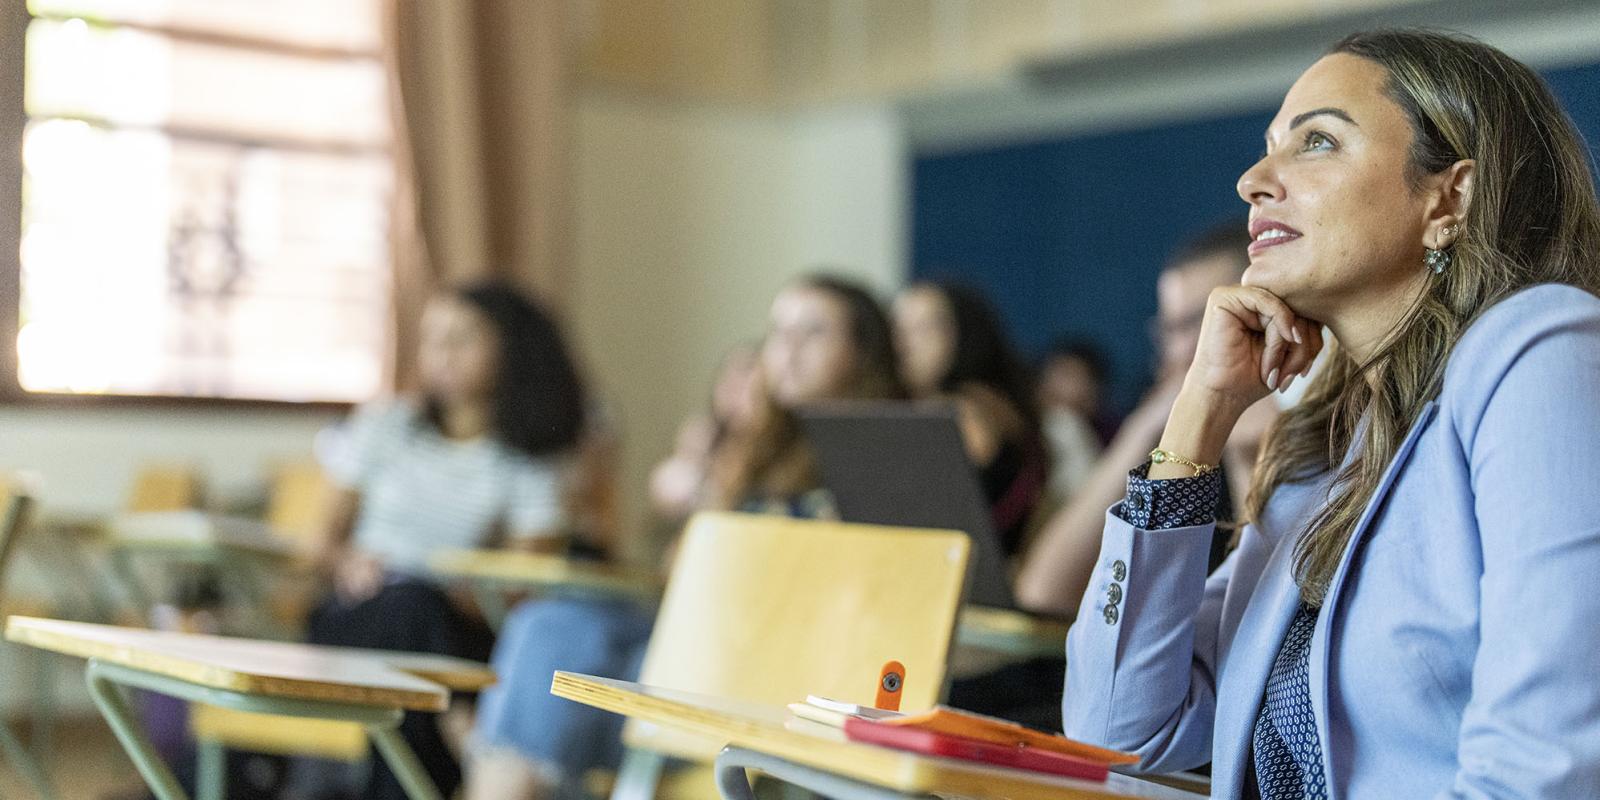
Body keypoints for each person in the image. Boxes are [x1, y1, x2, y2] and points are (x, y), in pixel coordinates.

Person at [1063, 29, 1600, 799]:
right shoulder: (1322, 451)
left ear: (1449, 196)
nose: (1253, 180)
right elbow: (1117, 734)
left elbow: (1545, 772)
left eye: (1316, 142)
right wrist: (1200, 415)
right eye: (1267, 147)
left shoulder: (1540, 345)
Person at [464, 274, 905, 800]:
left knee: (561, 668)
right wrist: (712, 477)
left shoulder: (889, 459)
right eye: (777, 332)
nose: (786, 351)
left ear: (863, 352)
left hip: (784, 675)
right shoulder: (756, 452)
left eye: (813, 333)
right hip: (703, 644)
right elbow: (680, 572)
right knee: (550, 625)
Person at [304, 281, 587, 800]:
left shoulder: (528, 458)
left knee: (419, 611)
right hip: (359, 615)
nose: (442, 356)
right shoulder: (387, 424)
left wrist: (447, 591)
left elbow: (522, 586)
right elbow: (319, 544)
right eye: (433, 339)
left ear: (511, 350)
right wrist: (347, 563)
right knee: (408, 611)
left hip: (458, 621)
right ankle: (470, 742)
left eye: (462, 340)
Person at [1016, 223, 1275, 616]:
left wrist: (1245, 455)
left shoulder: (1293, 426)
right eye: (1171, 329)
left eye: (1202, 321)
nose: (1185, 348)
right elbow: (1043, 591)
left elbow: (1261, 615)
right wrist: (1145, 426)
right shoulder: (1167, 437)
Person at [892, 281, 1049, 556]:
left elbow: (928, 514)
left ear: (964, 334)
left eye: (923, 328)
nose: (903, 343)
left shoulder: (964, 410)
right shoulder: (992, 401)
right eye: (897, 328)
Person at [1035, 339, 1109, 502]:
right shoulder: (1023, 430)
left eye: (1068, 375)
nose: (1054, 382)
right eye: (1053, 372)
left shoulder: (1111, 435)